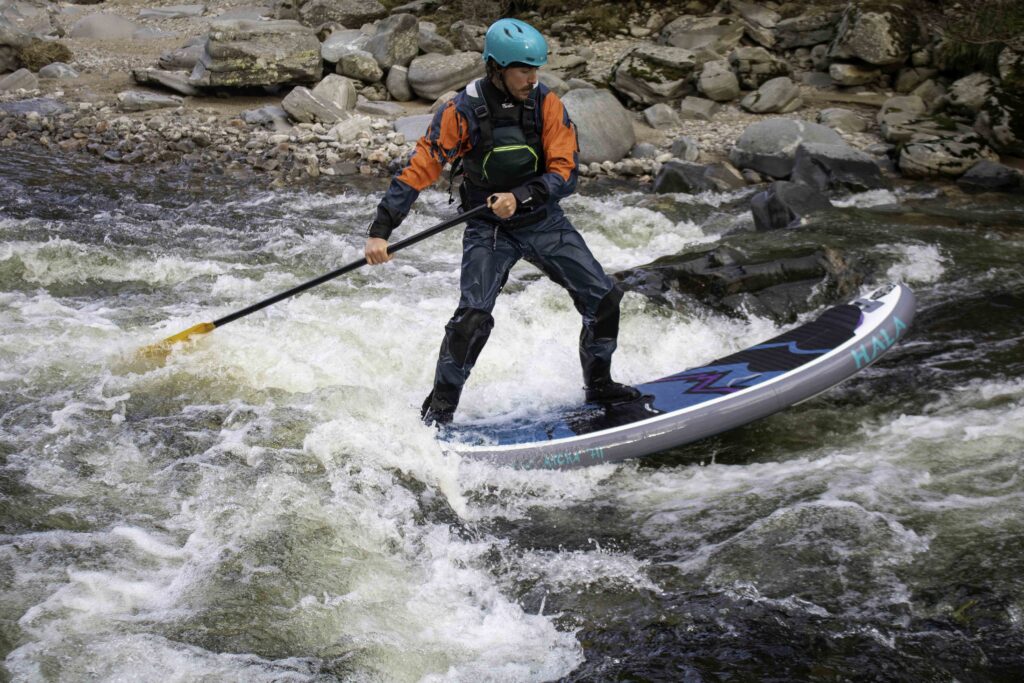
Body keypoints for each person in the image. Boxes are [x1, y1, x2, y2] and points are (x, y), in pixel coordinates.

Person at [364, 17, 639, 425]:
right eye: (523, 69)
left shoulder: (547, 104)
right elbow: (418, 169)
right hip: (488, 227)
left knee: (603, 298)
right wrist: (380, 231)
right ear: (496, 67)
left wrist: (522, 196)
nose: (532, 78)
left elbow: (566, 171)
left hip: (543, 220)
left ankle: (598, 384)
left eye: (536, 69)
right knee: (472, 318)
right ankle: (439, 412)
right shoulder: (462, 110)